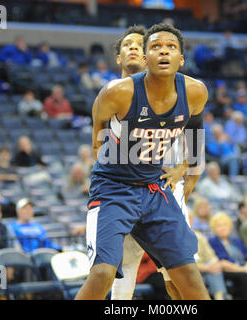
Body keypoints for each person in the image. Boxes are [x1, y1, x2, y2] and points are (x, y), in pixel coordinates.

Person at [75, 23, 210, 300]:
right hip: (115, 187)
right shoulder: (117, 92)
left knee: (188, 279)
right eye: (156, 47)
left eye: (171, 47)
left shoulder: (195, 92)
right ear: (145, 58)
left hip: (156, 187)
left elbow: (195, 133)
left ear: (181, 59)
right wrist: (111, 149)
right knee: (103, 274)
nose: (164, 52)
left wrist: (185, 168)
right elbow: (98, 131)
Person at [108, 25, 200, 301]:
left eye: (140, 44)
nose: (134, 47)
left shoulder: (175, 92)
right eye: (128, 44)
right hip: (125, 194)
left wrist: (183, 174)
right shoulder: (113, 94)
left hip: (162, 192)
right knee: (122, 275)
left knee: (178, 274)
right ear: (119, 57)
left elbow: (196, 147)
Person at [209, 212, 247, 300]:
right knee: (245, 277)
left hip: (243, 269)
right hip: (228, 270)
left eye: (225, 225)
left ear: (229, 226)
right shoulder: (212, 242)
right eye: (219, 226)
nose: (223, 228)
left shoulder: (236, 241)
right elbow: (222, 261)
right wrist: (242, 269)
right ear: (214, 228)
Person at [189, 213, 228, 300]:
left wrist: (213, 264)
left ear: (192, 221)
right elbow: (184, 263)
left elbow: (211, 255)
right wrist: (206, 268)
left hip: (205, 267)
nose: (187, 221)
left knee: (214, 269)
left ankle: (219, 297)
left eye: (189, 219)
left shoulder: (199, 236)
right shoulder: (176, 237)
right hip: (190, 270)